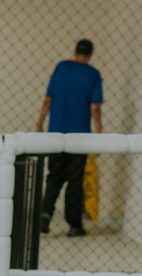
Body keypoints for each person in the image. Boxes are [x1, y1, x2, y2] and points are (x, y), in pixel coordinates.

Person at [35, 39, 104, 237]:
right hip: (79, 137)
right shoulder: (93, 74)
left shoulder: (61, 67)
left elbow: (48, 99)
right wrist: (99, 134)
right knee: (75, 181)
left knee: (54, 177)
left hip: (56, 133)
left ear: (74, 51)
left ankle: (45, 215)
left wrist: (39, 124)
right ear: (91, 54)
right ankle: (74, 225)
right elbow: (95, 107)